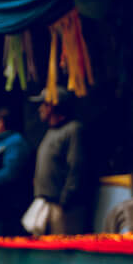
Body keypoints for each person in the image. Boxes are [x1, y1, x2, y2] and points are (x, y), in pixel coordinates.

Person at [31, 89, 89, 234]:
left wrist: (65, 200)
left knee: (63, 248)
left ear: (54, 106)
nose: (40, 109)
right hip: (45, 204)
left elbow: (76, 166)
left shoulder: (73, 130)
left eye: (44, 104)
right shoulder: (51, 132)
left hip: (63, 207)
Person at [0, 105, 32, 235]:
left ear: (1, 122)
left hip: (10, 205)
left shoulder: (15, 143)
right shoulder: (0, 144)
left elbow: (11, 173)